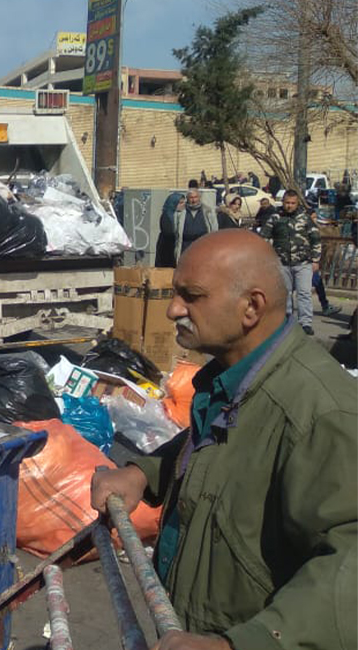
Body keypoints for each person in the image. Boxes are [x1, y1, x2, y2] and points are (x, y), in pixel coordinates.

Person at [91, 230, 356, 649]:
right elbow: (225, 450)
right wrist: (144, 474)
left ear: (251, 307)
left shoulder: (322, 411)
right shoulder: (234, 378)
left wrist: (239, 644)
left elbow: (350, 564)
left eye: (191, 296)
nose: (173, 310)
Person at [258, 189, 321, 335]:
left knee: (304, 293)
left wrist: (316, 259)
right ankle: (286, 321)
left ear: (297, 203)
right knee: (285, 293)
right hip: (282, 262)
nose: (289, 206)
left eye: (293, 203)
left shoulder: (305, 218)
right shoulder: (275, 217)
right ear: (283, 202)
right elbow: (264, 237)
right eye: (287, 203)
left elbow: (316, 239)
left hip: (303, 262)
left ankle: (305, 323)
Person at [158, 189, 217, 267]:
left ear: (199, 197)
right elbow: (175, 232)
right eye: (191, 198)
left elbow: (214, 229)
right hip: (185, 248)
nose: (193, 200)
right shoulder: (180, 213)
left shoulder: (208, 211)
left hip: (203, 248)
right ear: (187, 199)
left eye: (195, 197)